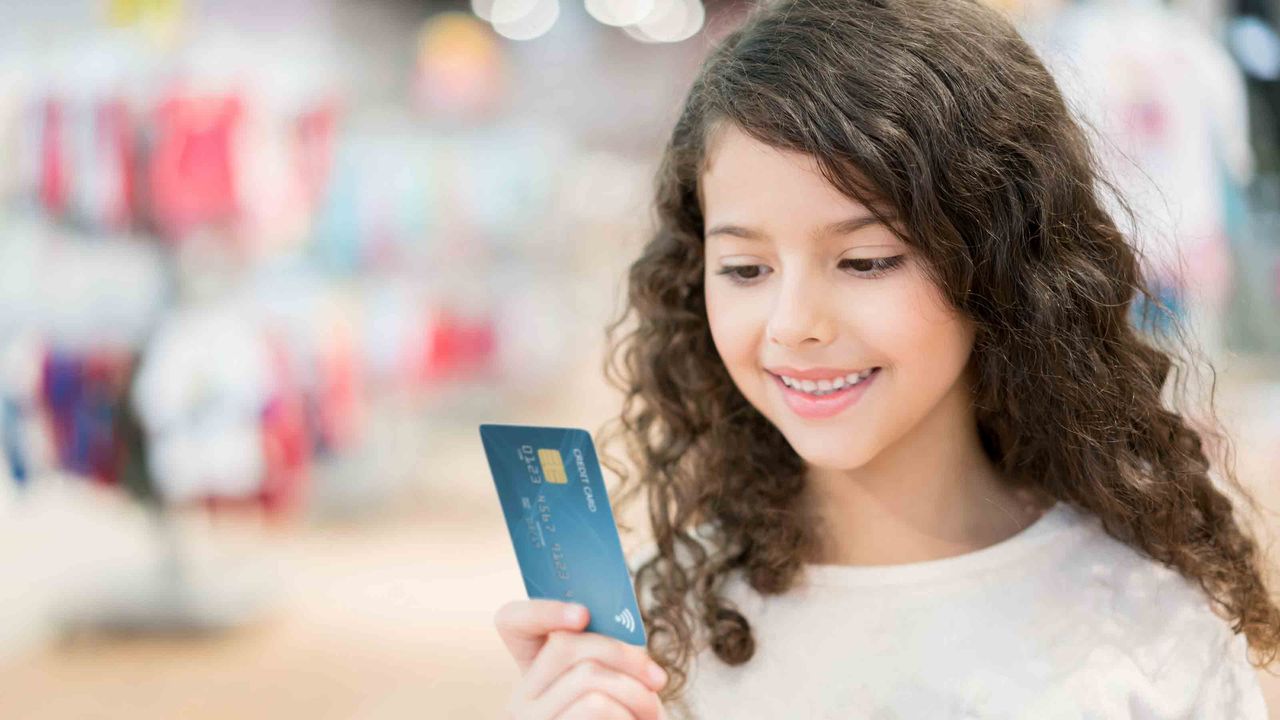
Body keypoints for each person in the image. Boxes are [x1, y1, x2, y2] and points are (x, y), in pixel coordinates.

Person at [493, 0, 1280, 717]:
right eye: (744, 270)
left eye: (866, 261)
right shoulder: (656, 629)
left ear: (1003, 262)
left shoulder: (1148, 626)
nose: (793, 324)